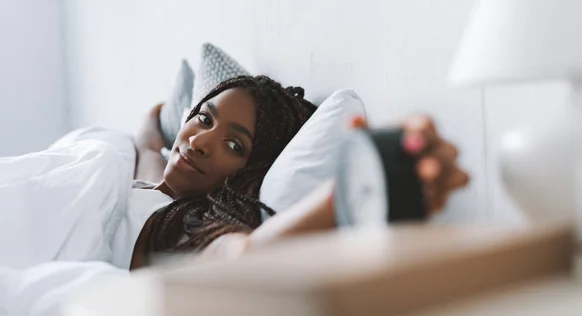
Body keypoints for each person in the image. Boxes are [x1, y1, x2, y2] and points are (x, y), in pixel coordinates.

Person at [129, 75, 469, 268]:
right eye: (204, 118)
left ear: (249, 174)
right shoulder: (150, 182)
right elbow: (147, 146)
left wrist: (347, 194)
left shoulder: (187, 224)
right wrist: (155, 116)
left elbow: (240, 255)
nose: (200, 141)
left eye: (235, 145)